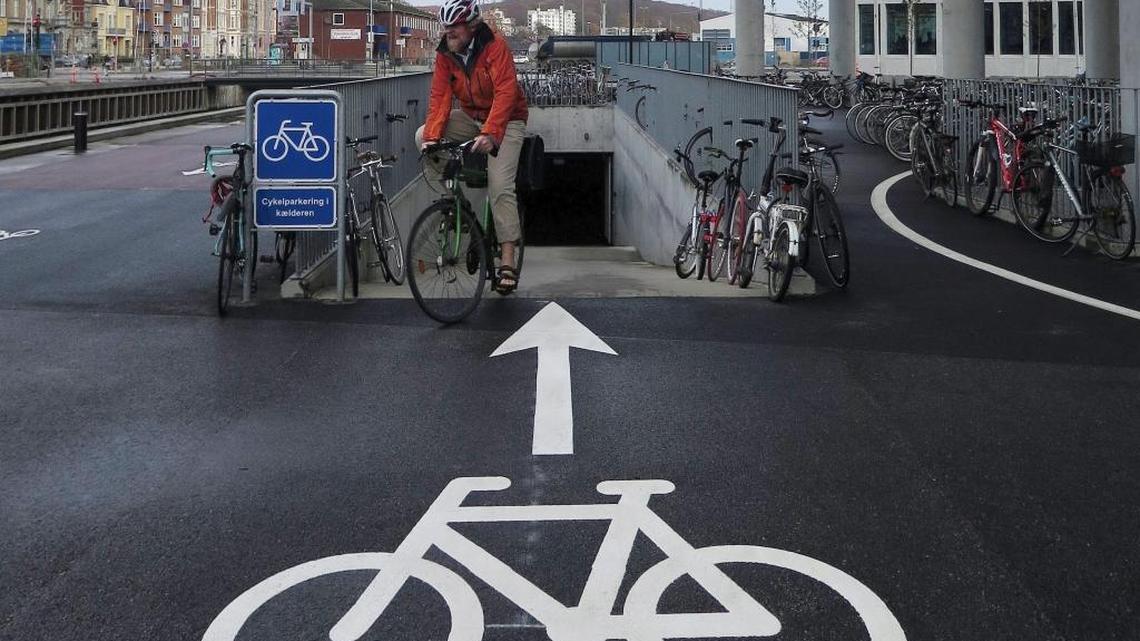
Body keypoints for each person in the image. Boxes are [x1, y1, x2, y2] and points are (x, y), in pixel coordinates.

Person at [415, 0, 528, 294]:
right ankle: (457, 205)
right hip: (470, 116)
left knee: (500, 184)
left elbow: (506, 92)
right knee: (420, 138)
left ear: (472, 26)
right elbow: (439, 97)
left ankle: (507, 258)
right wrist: (433, 136)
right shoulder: (445, 54)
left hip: (507, 119)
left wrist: (492, 133)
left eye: (455, 26)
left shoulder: (495, 47)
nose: (448, 31)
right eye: (446, 26)